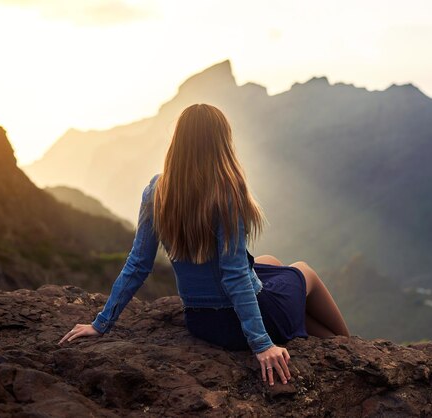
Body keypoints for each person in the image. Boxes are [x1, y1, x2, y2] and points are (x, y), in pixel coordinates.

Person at [58, 103, 350, 386]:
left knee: (270, 261)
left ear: (178, 143)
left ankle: (331, 342)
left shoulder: (157, 191)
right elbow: (234, 275)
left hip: (201, 323)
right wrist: (262, 345)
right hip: (242, 325)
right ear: (221, 143)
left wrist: (101, 324)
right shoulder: (226, 192)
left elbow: (138, 264)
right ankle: (349, 348)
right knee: (303, 270)